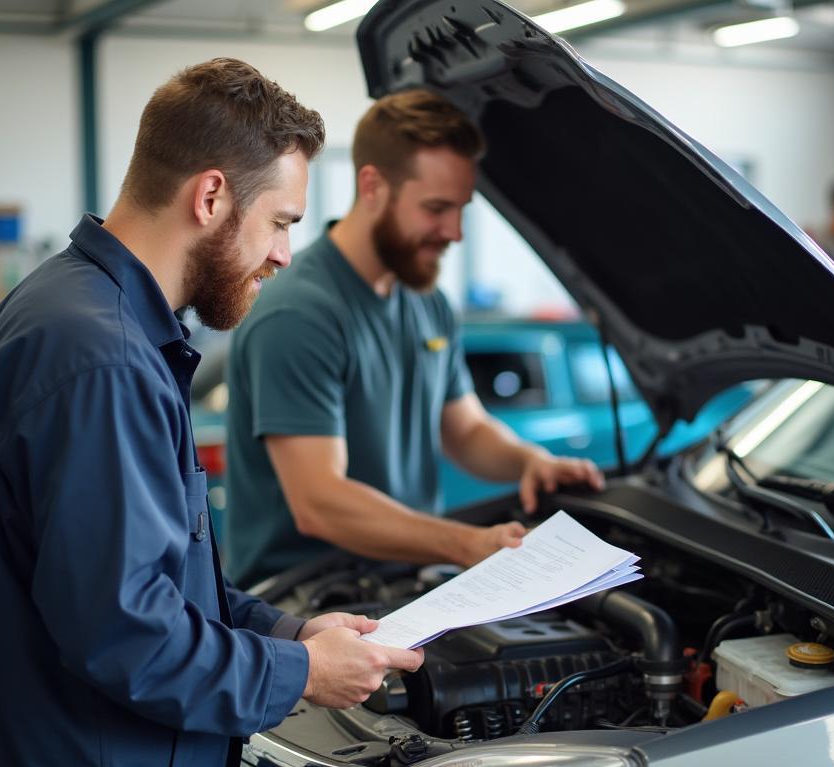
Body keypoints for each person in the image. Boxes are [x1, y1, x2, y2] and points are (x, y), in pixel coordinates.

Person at [0, 58, 422, 767]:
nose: (287, 252)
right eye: (281, 221)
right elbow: (127, 634)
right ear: (210, 197)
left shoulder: (83, 316)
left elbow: (154, 582)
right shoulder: (98, 356)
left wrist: (292, 633)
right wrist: (301, 680)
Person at [224, 89, 604, 589]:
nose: (455, 232)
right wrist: (466, 543)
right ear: (373, 186)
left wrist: (532, 462)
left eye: (461, 209)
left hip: (403, 581)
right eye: (437, 208)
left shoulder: (427, 301)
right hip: (301, 600)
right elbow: (321, 503)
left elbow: (465, 430)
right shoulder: (301, 313)